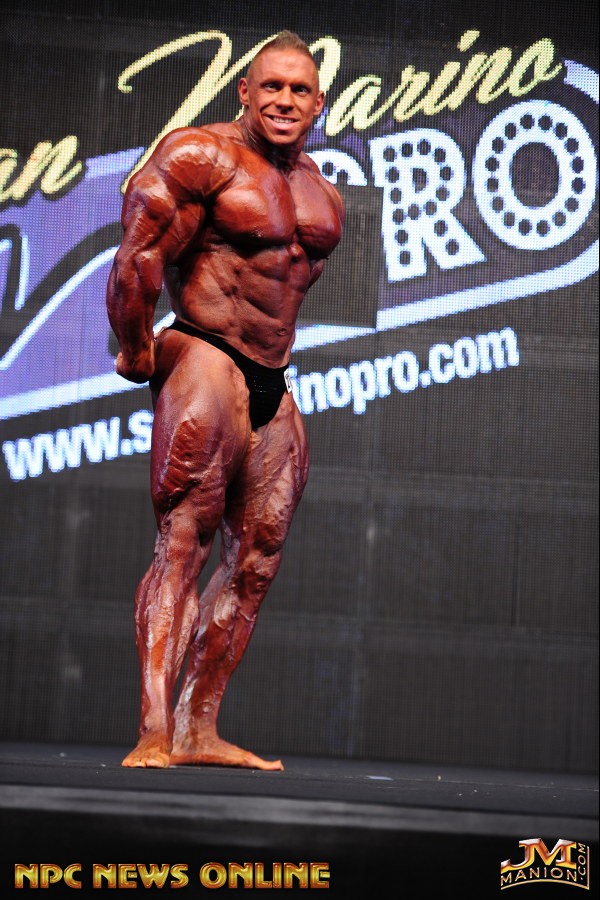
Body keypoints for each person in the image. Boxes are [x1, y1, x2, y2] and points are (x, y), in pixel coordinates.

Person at [106, 31, 344, 769]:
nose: (284, 100)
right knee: (184, 540)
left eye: (299, 90)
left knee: (258, 558)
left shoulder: (322, 191)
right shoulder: (200, 156)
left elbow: (286, 287)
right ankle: (153, 729)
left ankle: (197, 727)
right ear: (244, 91)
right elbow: (139, 255)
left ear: (319, 103)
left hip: (273, 376)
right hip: (205, 351)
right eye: (271, 86)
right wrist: (136, 347)